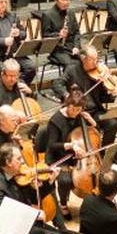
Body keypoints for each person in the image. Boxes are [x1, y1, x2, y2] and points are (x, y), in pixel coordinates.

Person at [52, 45, 117, 148]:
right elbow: (57, 84)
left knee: (113, 124)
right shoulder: (72, 69)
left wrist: (111, 92)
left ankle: (103, 154)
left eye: (97, 59)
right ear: (83, 59)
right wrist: (67, 96)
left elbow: (103, 98)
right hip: (77, 112)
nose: (96, 62)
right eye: (92, 59)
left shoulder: (98, 74)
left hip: (95, 111)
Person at [45, 86, 96, 219]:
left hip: (76, 157)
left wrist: (91, 122)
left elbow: (91, 136)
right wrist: (71, 145)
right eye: (73, 108)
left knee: (96, 174)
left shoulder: (80, 116)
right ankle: (62, 205)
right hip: (58, 157)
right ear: (67, 104)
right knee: (65, 180)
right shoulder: (55, 120)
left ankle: (93, 203)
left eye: (79, 109)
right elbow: (51, 145)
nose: (75, 112)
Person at [0, 59, 33, 127]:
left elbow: (31, 106)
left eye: (15, 76)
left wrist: (30, 93)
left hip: (18, 124)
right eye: (10, 76)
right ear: (2, 74)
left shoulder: (21, 84)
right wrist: (14, 114)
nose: (13, 79)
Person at [42, 0, 81, 70]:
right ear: (56, 0)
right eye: (63, 0)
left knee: (89, 57)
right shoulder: (48, 15)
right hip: (58, 50)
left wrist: (76, 46)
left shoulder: (70, 12)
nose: (66, 2)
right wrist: (58, 34)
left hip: (71, 47)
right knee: (72, 65)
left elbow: (77, 32)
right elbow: (45, 36)